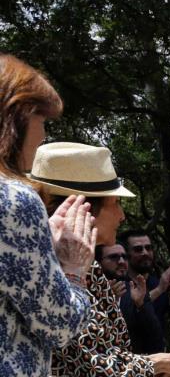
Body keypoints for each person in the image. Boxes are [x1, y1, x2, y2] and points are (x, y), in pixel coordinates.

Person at [31, 142, 170, 376]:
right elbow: (85, 364)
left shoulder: (86, 265)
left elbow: (105, 348)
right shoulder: (51, 267)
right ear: (84, 209)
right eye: (115, 203)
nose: (122, 215)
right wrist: (154, 364)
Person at [0, 54, 95, 376]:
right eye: (43, 122)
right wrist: (73, 268)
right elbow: (59, 324)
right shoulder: (14, 199)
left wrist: (37, 239)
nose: (42, 138)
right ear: (19, 116)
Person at [118, 229, 170, 354]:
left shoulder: (157, 282)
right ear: (126, 255)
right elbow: (128, 310)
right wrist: (160, 290)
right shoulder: (119, 284)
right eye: (138, 249)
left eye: (148, 248)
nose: (145, 253)